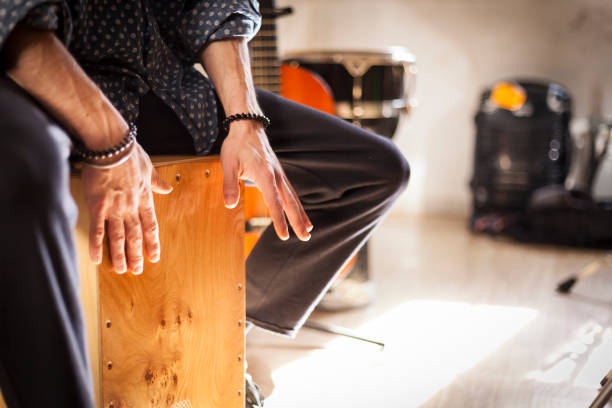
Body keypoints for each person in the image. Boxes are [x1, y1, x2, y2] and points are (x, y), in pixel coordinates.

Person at [0, 1, 410, 407]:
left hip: (153, 83)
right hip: (36, 80)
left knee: (376, 170)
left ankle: (228, 330)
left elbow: (213, 6)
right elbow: (16, 21)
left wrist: (245, 120)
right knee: (25, 171)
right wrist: (112, 143)